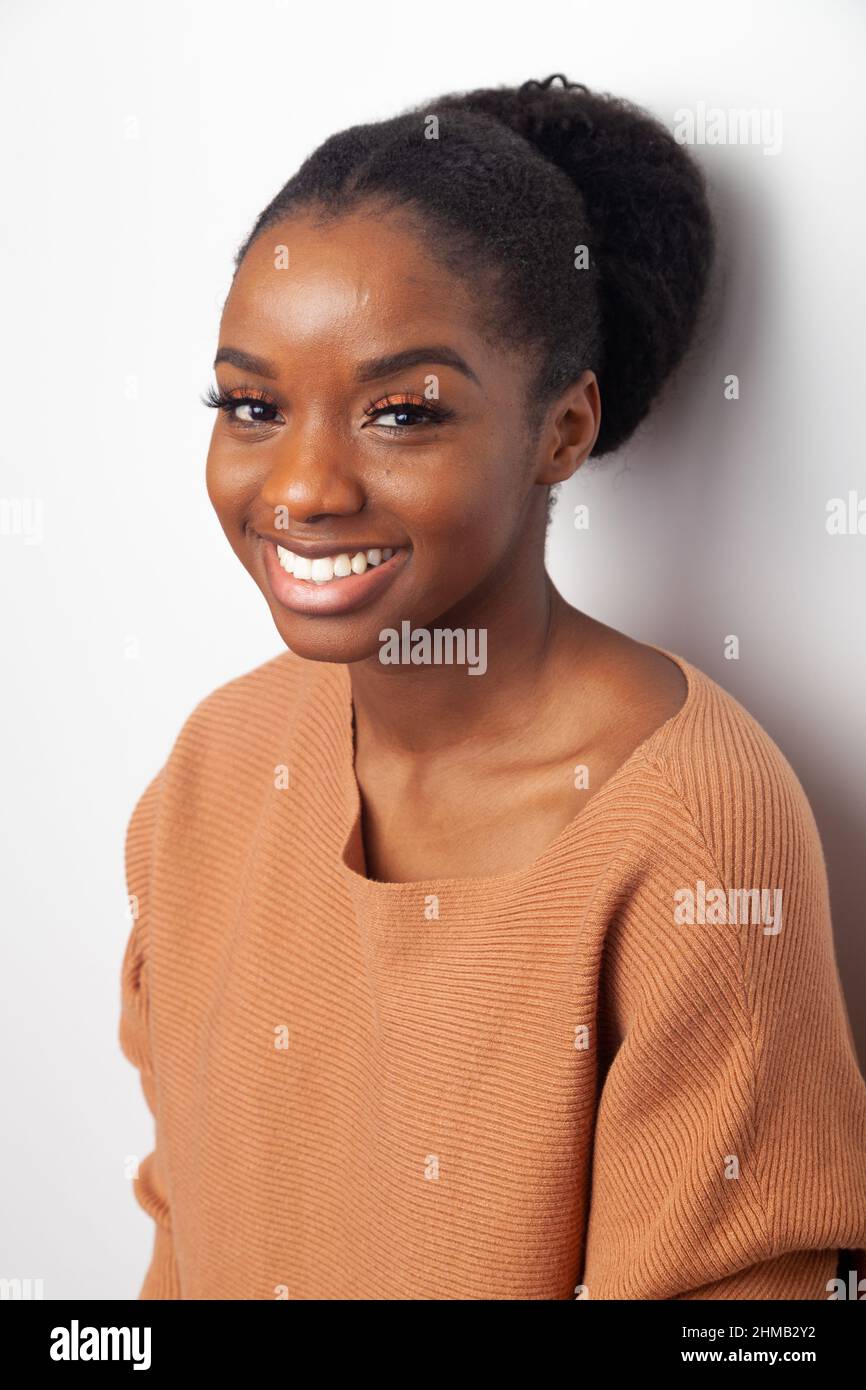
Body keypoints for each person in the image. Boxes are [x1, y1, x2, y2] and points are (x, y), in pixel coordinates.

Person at [119, 75, 866, 1299]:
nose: (300, 485)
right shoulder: (219, 762)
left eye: (400, 413)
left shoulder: (692, 832)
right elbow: (182, 1235)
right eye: (250, 404)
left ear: (561, 432)